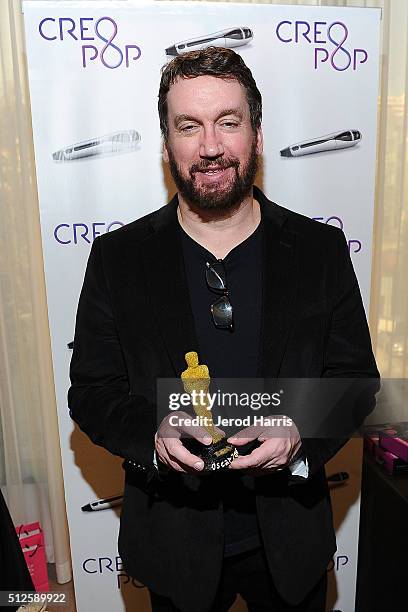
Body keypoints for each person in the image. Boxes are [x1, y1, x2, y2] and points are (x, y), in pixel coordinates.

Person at [68, 47, 379, 612]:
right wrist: (153, 437)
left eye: (228, 123)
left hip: (289, 543)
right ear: (166, 145)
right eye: (189, 126)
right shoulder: (118, 258)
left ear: (257, 135)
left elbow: (357, 381)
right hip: (174, 543)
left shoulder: (319, 251)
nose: (210, 147)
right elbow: (92, 390)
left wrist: (300, 432)